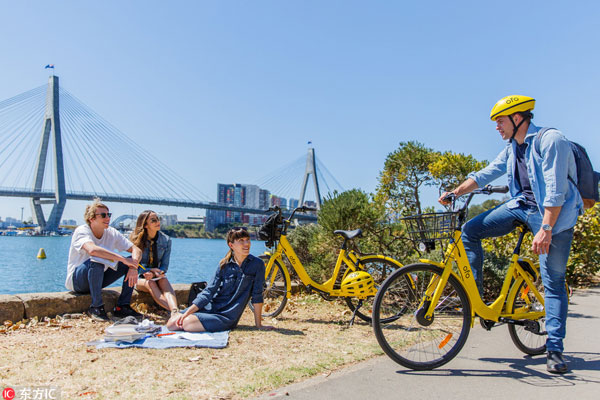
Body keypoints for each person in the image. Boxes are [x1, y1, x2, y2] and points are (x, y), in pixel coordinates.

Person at [439, 95, 583, 374]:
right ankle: (477, 301)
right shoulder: (512, 148)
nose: (496, 127)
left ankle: (554, 349)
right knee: (470, 231)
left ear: (519, 118)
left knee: (552, 281)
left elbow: (556, 191)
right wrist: (455, 192)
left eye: (500, 121)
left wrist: (546, 229)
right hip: (522, 207)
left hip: (554, 217)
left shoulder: (550, 141)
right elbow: (486, 174)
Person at [167, 228, 274, 332]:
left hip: (226, 316)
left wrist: (258, 325)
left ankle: (193, 320)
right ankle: (192, 318)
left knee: (188, 323)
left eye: (247, 240)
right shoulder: (224, 264)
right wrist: (188, 312)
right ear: (231, 245)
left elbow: (257, 295)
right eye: (241, 241)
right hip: (210, 308)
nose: (246, 244)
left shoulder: (257, 264)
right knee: (171, 324)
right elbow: (208, 292)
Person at [65, 199, 144, 321]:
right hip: (77, 281)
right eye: (103, 215)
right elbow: (92, 250)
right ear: (92, 219)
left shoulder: (111, 232)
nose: (107, 218)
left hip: (98, 277)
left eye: (108, 214)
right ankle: (96, 307)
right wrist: (122, 259)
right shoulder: (82, 231)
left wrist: (133, 266)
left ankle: (122, 307)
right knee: (97, 259)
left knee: (133, 261)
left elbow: (136, 249)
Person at [129, 210, 178, 317]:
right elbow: (135, 264)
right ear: (145, 225)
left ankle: (175, 311)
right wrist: (148, 271)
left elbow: (165, 265)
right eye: (153, 220)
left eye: (158, 219)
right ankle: (177, 313)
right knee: (151, 283)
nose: (158, 222)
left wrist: (158, 273)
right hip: (139, 277)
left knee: (164, 280)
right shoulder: (137, 240)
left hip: (156, 275)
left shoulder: (166, 240)